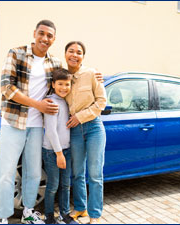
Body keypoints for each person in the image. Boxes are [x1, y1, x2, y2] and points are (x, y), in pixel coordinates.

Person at [0, 20, 61, 224]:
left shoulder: (55, 63)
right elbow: (6, 87)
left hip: (37, 125)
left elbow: (67, 82)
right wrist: (37, 104)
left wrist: (94, 77)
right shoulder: (16, 53)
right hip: (14, 121)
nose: (45, 38)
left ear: (53, 39)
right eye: (42, 33)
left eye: (49, 36)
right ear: (34, 33)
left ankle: (28, 212)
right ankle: (2, 217)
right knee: (6, 172)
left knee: (33, 171)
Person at [64, 41, 107, 224]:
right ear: (65, 54)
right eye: (71, 51)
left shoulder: (91, 74)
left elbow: (101, 102)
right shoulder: (61, 76)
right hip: (73, 130)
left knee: (95, 174)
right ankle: (80, 208)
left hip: (94, 128)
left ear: (83, 56)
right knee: (78, 173)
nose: (74, 54)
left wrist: (80, 116)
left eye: (79, 52)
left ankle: (95, 214)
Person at [42, 68, 78, 224]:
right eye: (60, 84)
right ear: (53, 84)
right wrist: (59, 154)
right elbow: (50, 131)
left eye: (67, 84)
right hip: (53, 151)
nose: (64, 87)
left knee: (65, 184)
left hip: (66, 149)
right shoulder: (51, 102)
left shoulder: (66, 101)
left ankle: (64, 214)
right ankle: (49, 216)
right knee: (53, 185)